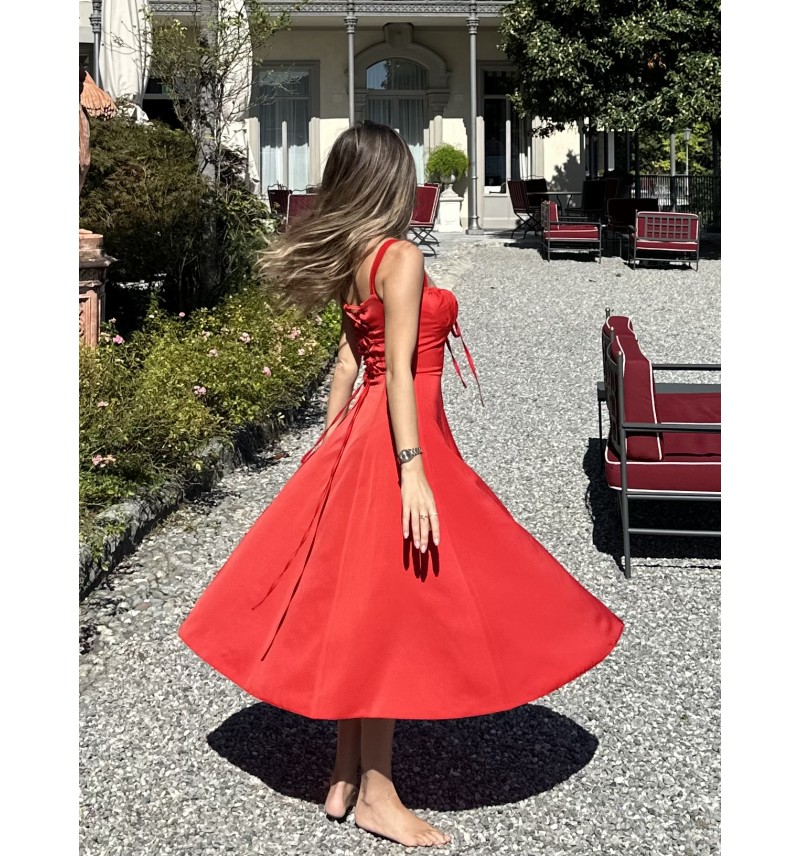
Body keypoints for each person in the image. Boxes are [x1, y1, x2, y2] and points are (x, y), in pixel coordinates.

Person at [179, 120, 624, 849]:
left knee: (361, 603)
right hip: (399, 443)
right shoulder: (401, 258)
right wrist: (412, 468)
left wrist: (329, 449)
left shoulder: (357, 257)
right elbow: (396, 378)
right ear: (390, 182)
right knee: (392, 611)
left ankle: (344, 773)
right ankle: (378, 796)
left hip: (362, 439)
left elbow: (348, 365)